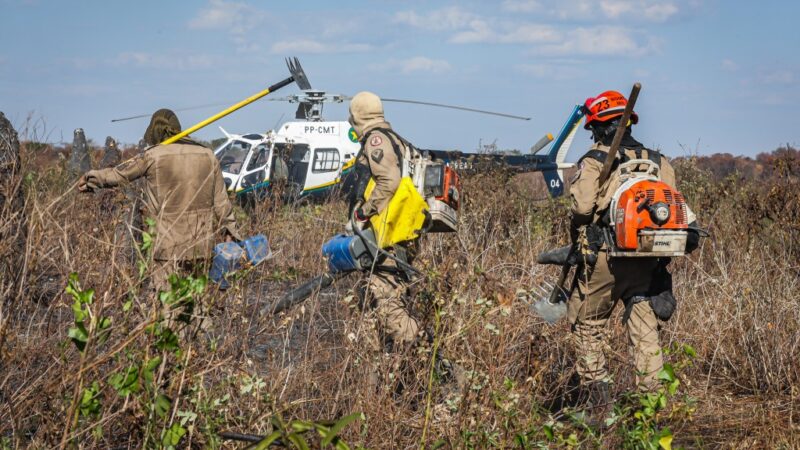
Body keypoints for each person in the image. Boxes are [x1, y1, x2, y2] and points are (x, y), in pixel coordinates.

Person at [567, 90, 695, 419]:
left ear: (596, 126)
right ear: (629, 122)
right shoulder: (659, 161)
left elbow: (582, 209)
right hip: (646, 259)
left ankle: (600, 406)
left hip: (605, 257)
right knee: (644, 325)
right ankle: (652, 407)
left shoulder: (595, 159)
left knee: (588, 325)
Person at [78, 109, 240, 330]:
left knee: (169, 307)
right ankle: (202, 352)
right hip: (201, 244)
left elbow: (118, 174)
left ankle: (177, 359)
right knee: (199, 305)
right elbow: (222, 202)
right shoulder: (207, 155)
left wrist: (90, 179)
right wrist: (231, 232)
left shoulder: (152, 155)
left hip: (167, 245)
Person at [348, 91, 422, 356]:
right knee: (371, 303)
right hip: (398, 235)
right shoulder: (396, 140)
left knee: (390, 308)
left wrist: (363, 214)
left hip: (388, 238)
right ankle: (376, 372)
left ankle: (433, 362)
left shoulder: (376, 140)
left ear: (358, 115)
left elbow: (388, 181)